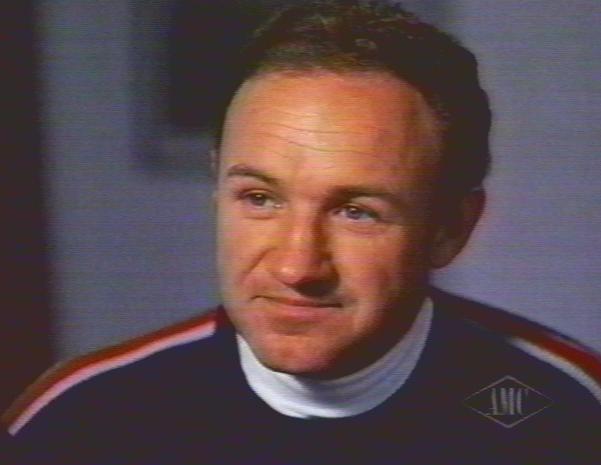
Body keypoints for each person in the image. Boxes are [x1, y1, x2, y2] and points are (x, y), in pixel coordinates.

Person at [4, 1, 600, 463]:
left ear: (451, 228)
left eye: (356, 212)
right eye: (260, 199)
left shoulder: (573, 415)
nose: (296, 267)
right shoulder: (79, 423)